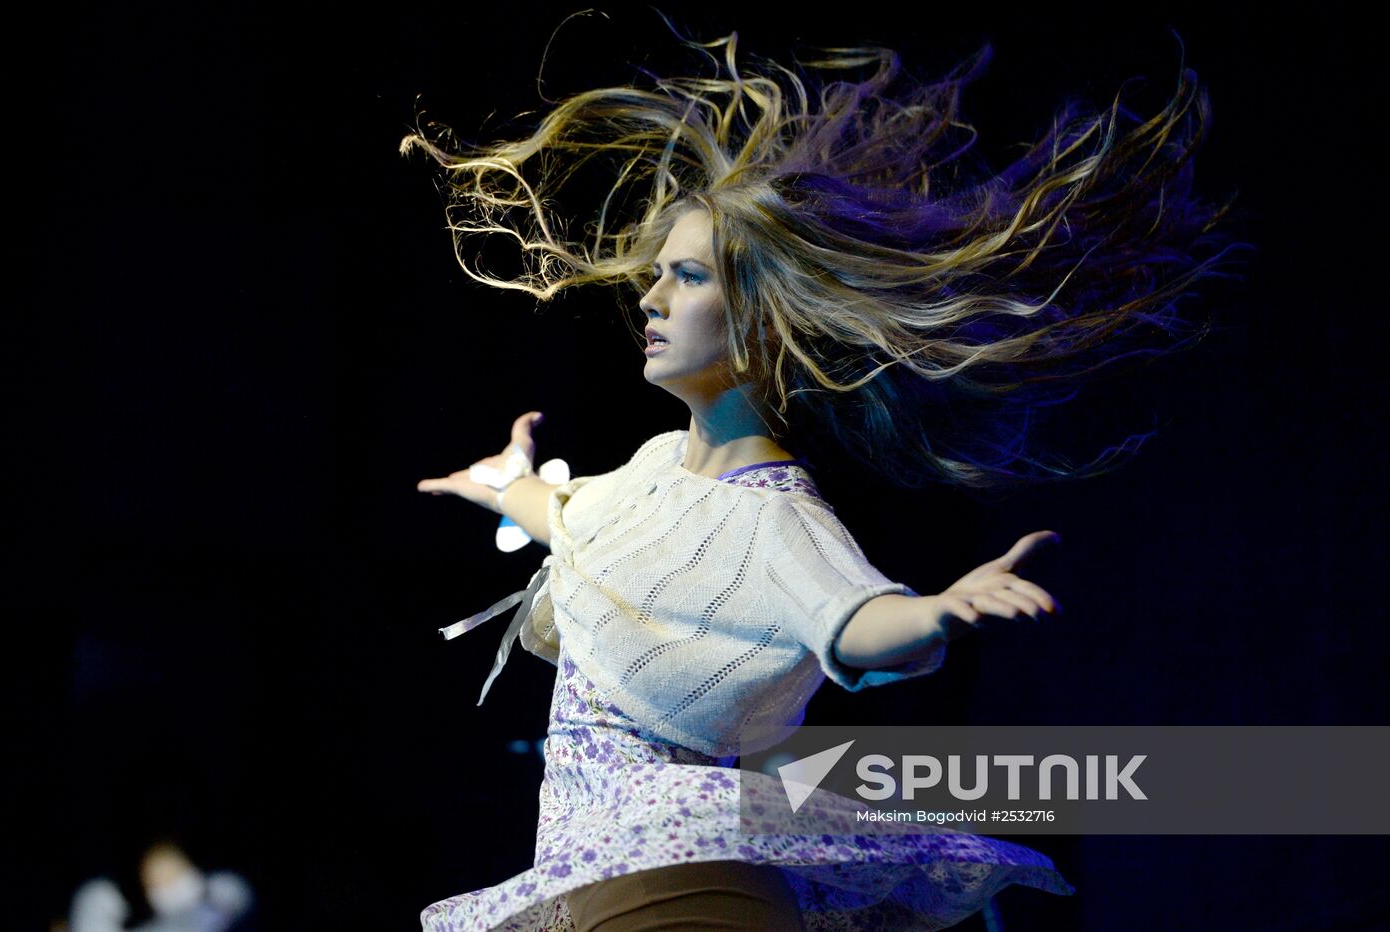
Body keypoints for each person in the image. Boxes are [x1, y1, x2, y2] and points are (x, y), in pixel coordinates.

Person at [407, 23, 1238, 931]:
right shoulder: (649, 475)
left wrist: (938, 610)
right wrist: (503, 482)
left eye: (686, 277)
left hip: (685, 885)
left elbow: (856, 616)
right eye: (659, 277)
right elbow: (568, 515)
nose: (650, 299)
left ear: (763, 320)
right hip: (618, 881)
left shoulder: (774, 522)